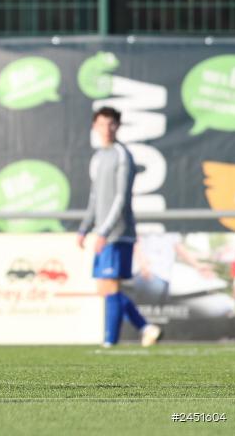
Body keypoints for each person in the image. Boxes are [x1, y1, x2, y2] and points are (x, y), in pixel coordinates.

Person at [77, 106, 161, 348]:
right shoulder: (98, 157)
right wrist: (85, 228)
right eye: (102, 124)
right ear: (95, 126)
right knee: (104, 287)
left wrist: (104, 231)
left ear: (118, 126)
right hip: (103, 233)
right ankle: (146, 326)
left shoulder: (122, 155)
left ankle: (109, 342)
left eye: (111, 123)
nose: (107, 128)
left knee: (111, 285)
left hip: (118, 232)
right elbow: (95, 197)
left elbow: (120, 198)